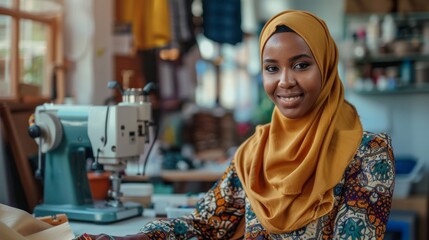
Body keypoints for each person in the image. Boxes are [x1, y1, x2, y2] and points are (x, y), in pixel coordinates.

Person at [75, 10, 395, 239]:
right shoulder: (254, 153)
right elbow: (204, 225)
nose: (285, 81)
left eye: (301, 65)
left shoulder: (368, 154)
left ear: (326, 67)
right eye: (272, 68)